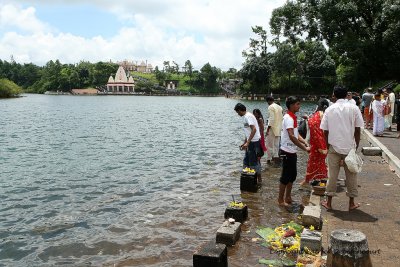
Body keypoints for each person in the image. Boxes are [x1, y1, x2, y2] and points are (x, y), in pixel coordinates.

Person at [320, 85, 364, 211]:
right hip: (350, 146)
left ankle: (328, 202)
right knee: (351, 175)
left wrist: (328, 146)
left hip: (333, 145)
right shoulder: (354, 108)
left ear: (334, 94)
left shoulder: (329, 109)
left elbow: (325, 131)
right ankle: (351, 203)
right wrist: (356, 146)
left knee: (332, 175)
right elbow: (357, 129)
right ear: (346, 95)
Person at [278, 96, 310, 206]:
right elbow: (291, 136)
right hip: (286, 151)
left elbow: (296, 134)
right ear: (291, 105)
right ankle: (280, 200)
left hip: (292, 151)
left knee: (293, 175)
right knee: (285, 177)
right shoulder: (288, 118)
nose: (299, 106)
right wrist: (304, 148)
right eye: (297, 104)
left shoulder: (293, 117)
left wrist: (305, 142)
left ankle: (288, 197)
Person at [299, 98, 329, 186]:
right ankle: (319, 182)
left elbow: (316, 129)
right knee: (320, 163)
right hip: (322, 143)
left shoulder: (316, 115)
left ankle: (310, 181)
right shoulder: (324, 115)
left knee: (313, 162)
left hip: (316, 143)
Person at [234, 103, 262, 182]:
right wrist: (245, 142)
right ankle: (248, 180)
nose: (237, 114)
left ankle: (258, 180)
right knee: (246, 161)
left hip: (254, 142)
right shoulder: (246, 116)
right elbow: (248, 131)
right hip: (250, 142)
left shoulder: (248, 116)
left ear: (240, 110)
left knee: (253, 162)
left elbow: (254, 129)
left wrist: (248, 142)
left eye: (237, 112)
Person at [266, 96, 283, 166]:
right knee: (276, 145)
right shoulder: (280, 107)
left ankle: (269, 160)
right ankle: (276, 160)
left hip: (272, 128)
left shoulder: (270, 107)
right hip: (278, 128)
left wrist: (267, 129)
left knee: (269, 145)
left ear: (268, 101)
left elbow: (271, 119)